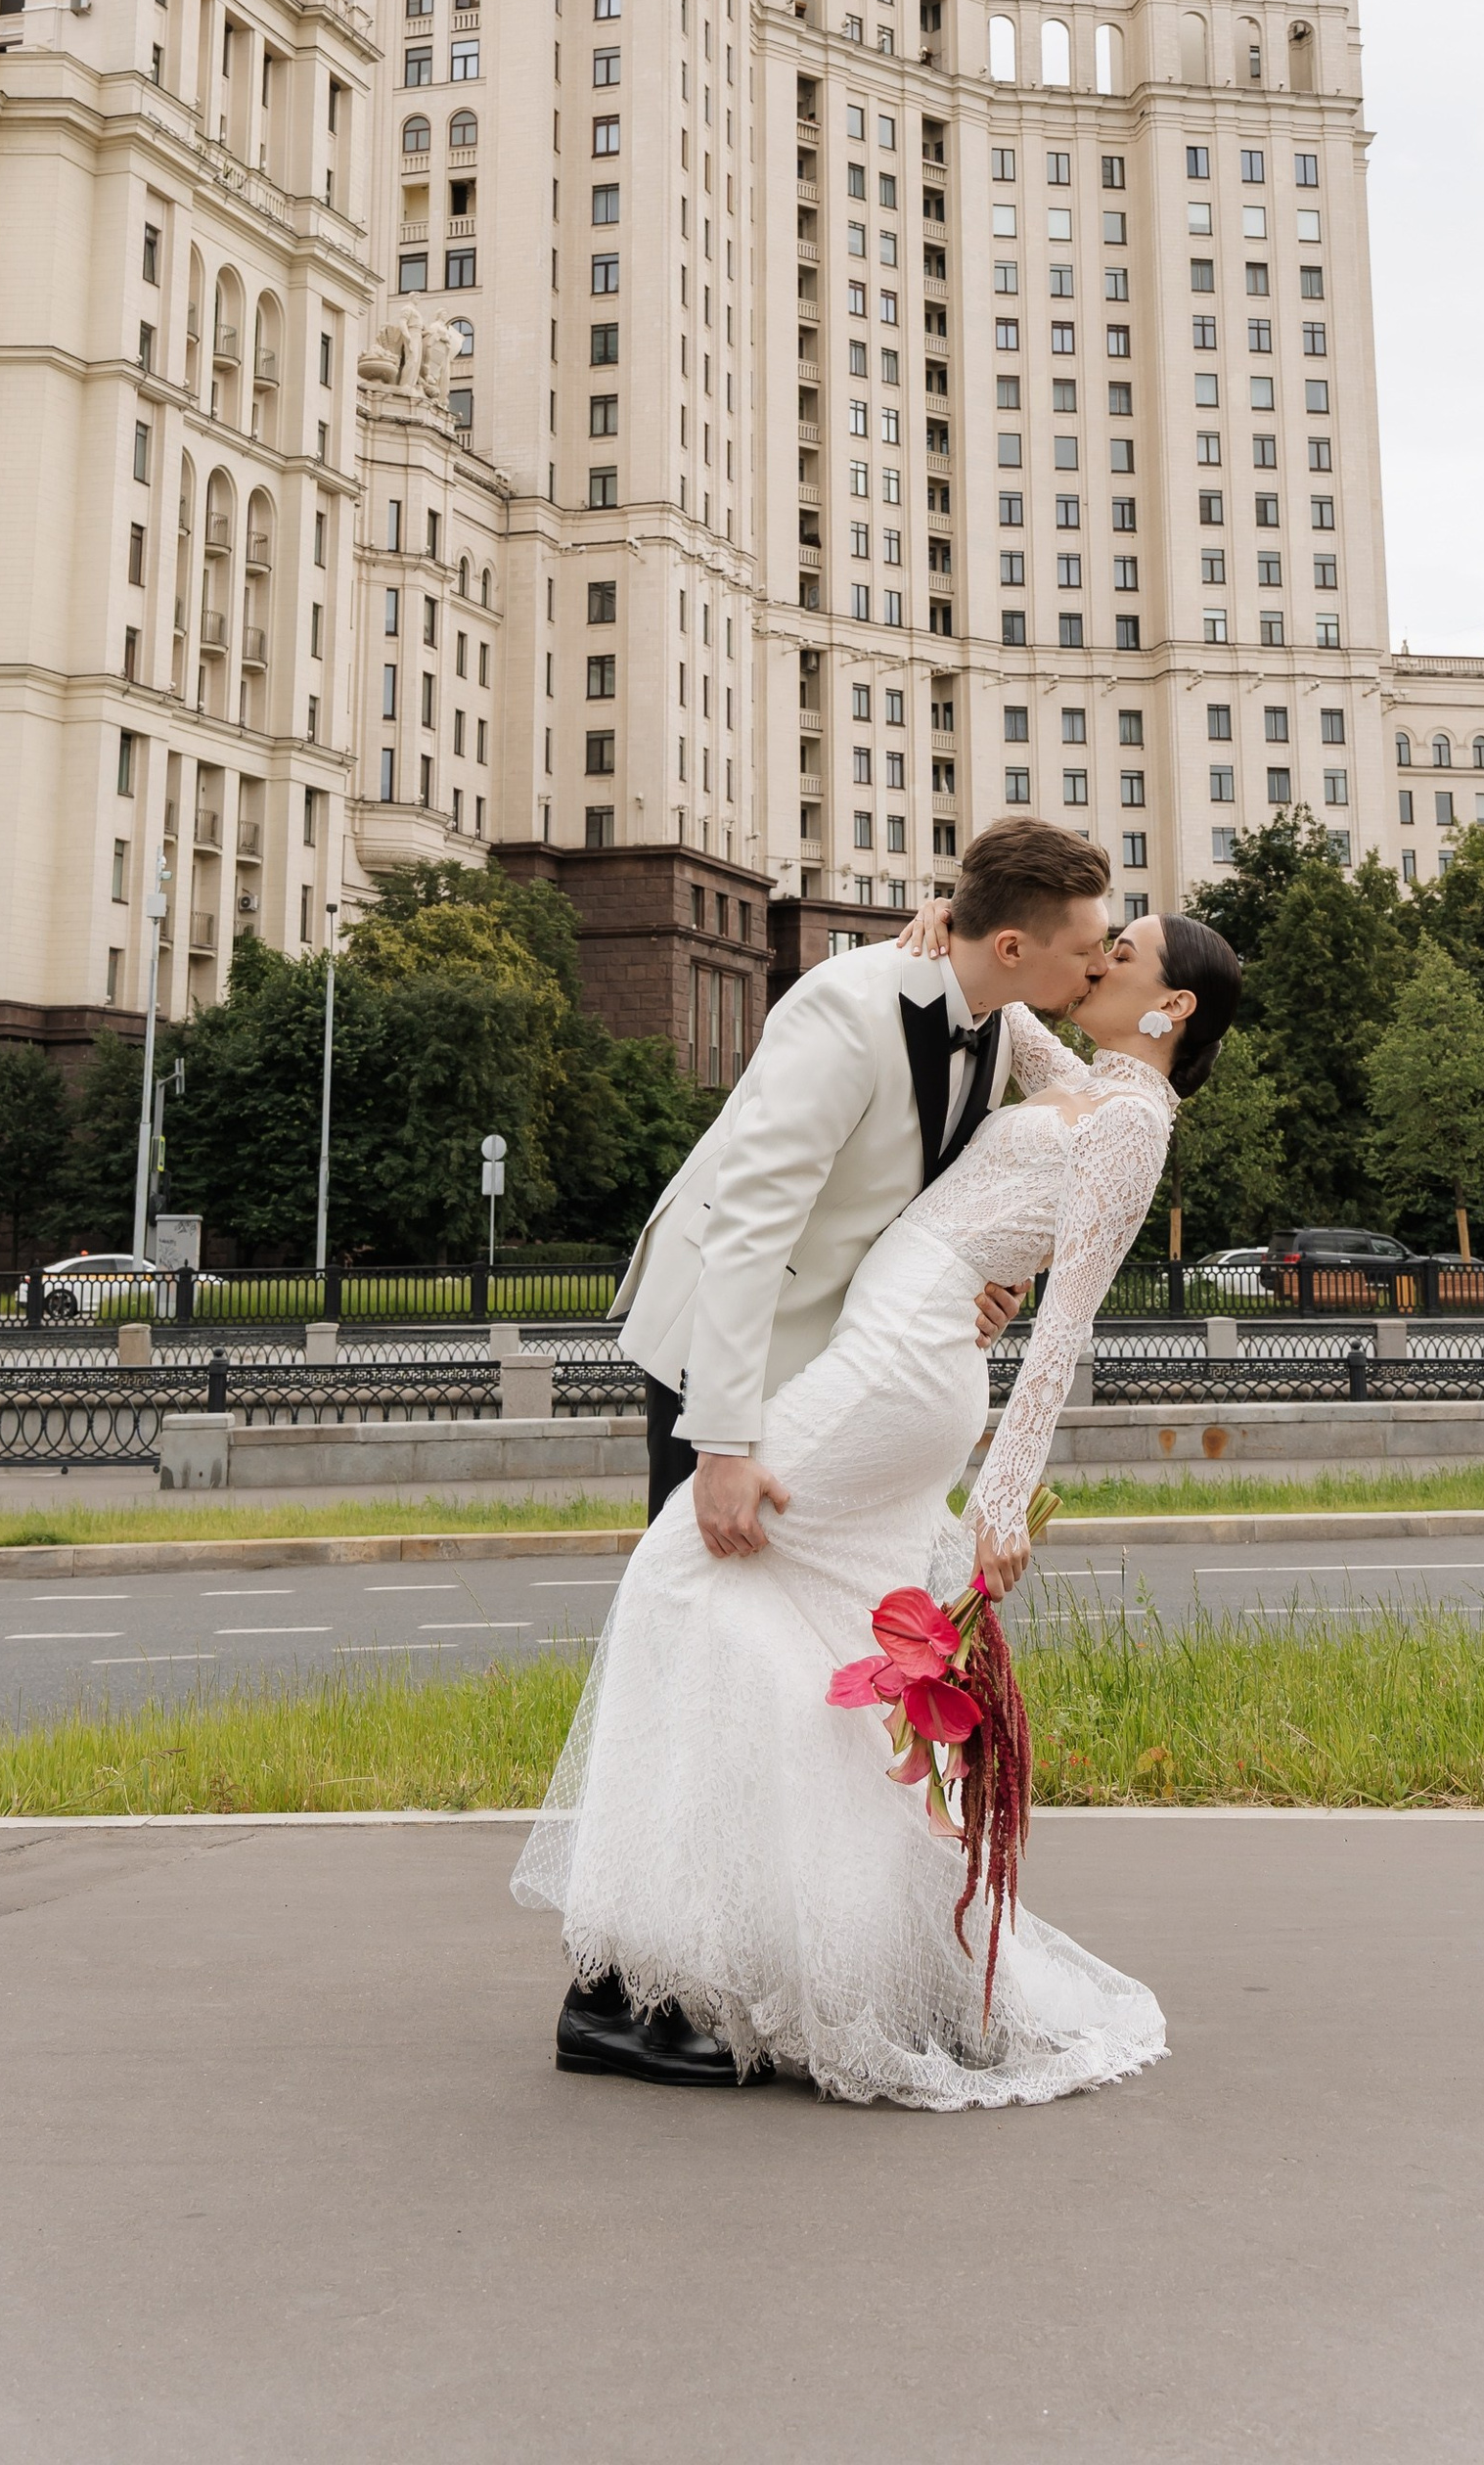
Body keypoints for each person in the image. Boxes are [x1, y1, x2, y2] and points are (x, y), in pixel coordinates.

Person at [521, 862, 1240, 2103]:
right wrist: (939, 924)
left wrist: (1002, 1499)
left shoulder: (1132, 1122)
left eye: (1120, 955)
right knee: (814, 1656)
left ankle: (651, 1985)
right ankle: (824, 1971)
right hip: (870, 1350)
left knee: (686, 1580)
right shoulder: (1079, 1078)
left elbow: (1065, 1323)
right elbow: (997, 998)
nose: (1097, 962)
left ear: (1168, 1009)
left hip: (895, 1371)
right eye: (1090, 943)